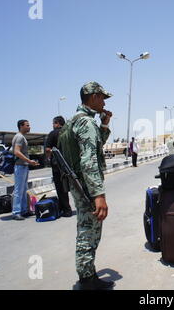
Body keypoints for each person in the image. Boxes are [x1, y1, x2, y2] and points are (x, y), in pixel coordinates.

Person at [59, 81, 114, 290]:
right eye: (102, 98)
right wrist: (98, 194)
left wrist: (105, 123)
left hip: (78, 184)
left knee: (87, 228)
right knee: (88, 231)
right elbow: (88, 160)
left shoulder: (74, 120)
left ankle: (87, 275)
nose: (104, 102)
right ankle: (86, 279)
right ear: (93, 97)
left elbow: (96, 143)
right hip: (86, 187)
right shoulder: (87, 123)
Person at [11, 120, 39, 220]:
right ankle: (16, 212)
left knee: (23, 190)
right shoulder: (19, 137)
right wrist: (29, 161)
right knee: (19, 190)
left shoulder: (21, 137)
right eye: (27, 125)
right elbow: (16, 152)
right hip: (20, 166)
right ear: (21, 126)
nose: (29, 127)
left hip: (23, 166)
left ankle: (24, 210)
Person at [45, 116, 72, 217]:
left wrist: (49, 157)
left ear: (57, 123)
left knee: (60, 188)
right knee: (71, 186)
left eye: (53, 123)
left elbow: (48, 149)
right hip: (70, 164)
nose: (52, 125)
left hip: (58, 165)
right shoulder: (69, 132)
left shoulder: (53, 133)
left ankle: (66, 210)